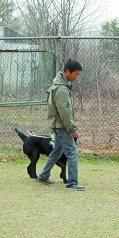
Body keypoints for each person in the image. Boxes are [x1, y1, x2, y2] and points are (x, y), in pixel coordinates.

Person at [37, 59, 84, 190]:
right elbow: (64, 112)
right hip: (63, 126)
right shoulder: (62, 89)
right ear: (67, 71)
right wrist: (72, 129)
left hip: (58, 125)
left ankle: (43, 176)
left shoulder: (59, 85)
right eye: (76, 73)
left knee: (56, 151)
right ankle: (73, 183)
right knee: (72, 153)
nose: (77, 77)